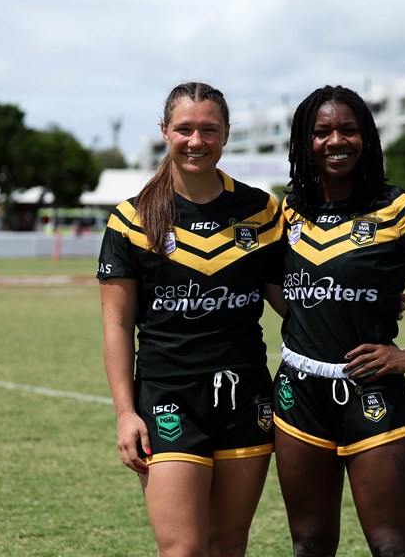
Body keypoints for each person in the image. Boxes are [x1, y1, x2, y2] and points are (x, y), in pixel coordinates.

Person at [273, 85, 405, 557]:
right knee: (308, 542)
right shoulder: (285, 213)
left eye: (348, 130)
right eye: (322, 131)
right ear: (303, 142)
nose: (335, 141)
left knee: (390, 544)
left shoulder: (401, 209)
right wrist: (329, 312)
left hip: (372, 390)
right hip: (297, 394)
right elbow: (273, 283)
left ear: (366, 137)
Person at [97, 82, 284, 557]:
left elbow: (287, 299)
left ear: (225, 135)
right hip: (167, 397)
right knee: (181, 549)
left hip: (246, 395)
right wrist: (125, 414)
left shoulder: (262, 211)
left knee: (227, 546)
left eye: (208, 129)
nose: (196, 141)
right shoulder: (132, 219)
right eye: (184, 129)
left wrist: (358, 306)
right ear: (164, 131)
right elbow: (117, 326)